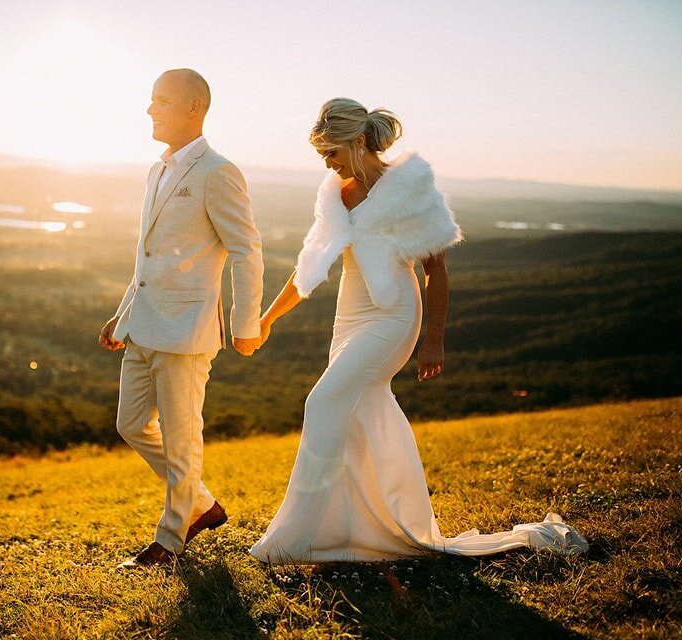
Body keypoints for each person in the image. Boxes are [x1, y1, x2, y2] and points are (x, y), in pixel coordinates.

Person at [249, 98, 588, 563]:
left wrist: (434, 339)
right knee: (357, 413)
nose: (327, 164)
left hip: (393, 315)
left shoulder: (409, 187)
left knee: (323, 401)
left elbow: (437, 271)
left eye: (331, 153)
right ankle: (365, 527)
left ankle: (291, 539)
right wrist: (267, 318)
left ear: (357, 141)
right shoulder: (334, 193)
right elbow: (309, 264)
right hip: (348, 317)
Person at [99, 69, 265, 568]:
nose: (151, 109)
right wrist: (121, 314)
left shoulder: (219, 171)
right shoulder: (158, 169)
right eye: (151, 100)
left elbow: (247, 250)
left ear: (195, 107)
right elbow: (147, 256)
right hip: (142, 326)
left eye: (162, 101)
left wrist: (244, 325)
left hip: (188, 331)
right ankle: (202, 505)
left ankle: (171, 541)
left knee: (181, 437)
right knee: (130, 424)